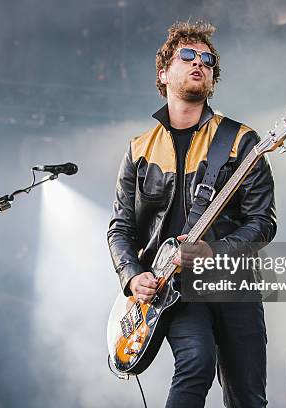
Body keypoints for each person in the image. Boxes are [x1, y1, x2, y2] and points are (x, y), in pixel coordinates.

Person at [107, 21, 276, 407]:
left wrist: (214, 252)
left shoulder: (240, 140)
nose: (199, 62)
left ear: (212, 79)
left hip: (233, 286)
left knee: (248, 397)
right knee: (196, 362)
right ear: (163, 73)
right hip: (174, 289)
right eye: (187, 55)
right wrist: (132, 277)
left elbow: (263, 223)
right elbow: (120, 227)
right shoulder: (139, 149)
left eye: (207, 60)